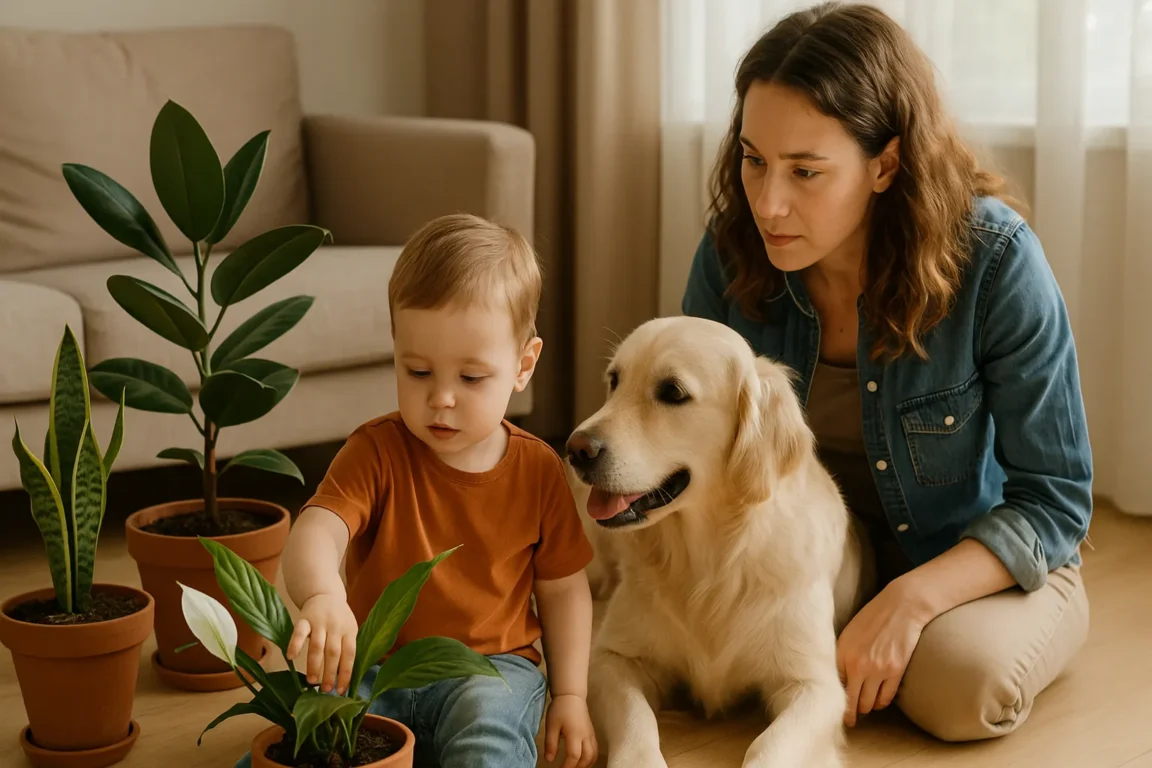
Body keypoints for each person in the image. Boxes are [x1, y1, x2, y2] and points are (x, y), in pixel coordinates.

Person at [681, 1, 1093, 744]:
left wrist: (910, 599)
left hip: (963, 559)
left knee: (964, 692)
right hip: (802, 558)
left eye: (806, 171)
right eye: (753, 159)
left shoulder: (996, 264)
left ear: (886, 163)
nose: (768, 202)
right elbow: (693, 445)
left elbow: (1056, 501)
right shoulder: (730, 253)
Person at [234, 214, 598, 768]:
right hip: (373, 664)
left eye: (471, 378)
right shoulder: (376, 451)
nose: (441, 399)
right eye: (419, 372)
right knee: (306, 739)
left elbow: (565, 591)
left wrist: (571, 695)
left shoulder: (539, 471)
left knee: (487, 735)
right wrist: (323, 595)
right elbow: (318, 529)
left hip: (491, 668)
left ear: (523, 366)